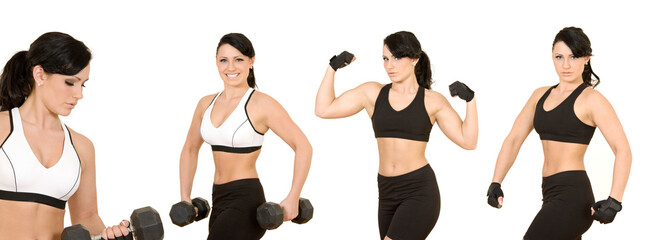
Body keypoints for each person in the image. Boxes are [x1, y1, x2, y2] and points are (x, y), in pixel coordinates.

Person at [315, 31, 478, 240]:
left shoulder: (432, 101)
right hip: (386, 192)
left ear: (415, 59)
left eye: (397, 57)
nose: (389, 65)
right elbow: (323, 109)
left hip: (419, 191)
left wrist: (470, 100)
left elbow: (468, 141)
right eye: (385, 58)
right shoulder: (372, 93)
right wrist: (332, 68)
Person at [486, 27, 632, 240]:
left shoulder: (592, 100)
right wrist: (496, 182)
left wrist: (615, 201)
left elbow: (623, 149)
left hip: (572, 195)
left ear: (586, 59)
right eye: (559, 57)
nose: (565, 65)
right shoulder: (540, 95)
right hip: (549, 191)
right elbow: (514, 139)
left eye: (573, 57)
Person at [178, 33, 312, 240]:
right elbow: (190, 149)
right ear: (216, 63)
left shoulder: (262, 104)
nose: (230, 67)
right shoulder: (205, 104)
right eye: (224, 60)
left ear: (251, 61)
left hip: (245, 200)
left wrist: (293, 196)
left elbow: (303, 146)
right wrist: (185, 198)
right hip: (218, 199)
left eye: (238, 59)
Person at [0, 32, 132, 239]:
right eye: (70, 83)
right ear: (39, 75)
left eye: (83, 84)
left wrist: (109, 235)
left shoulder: (82, 147)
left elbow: (87, 217)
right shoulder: (2, 129)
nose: (79, 94)